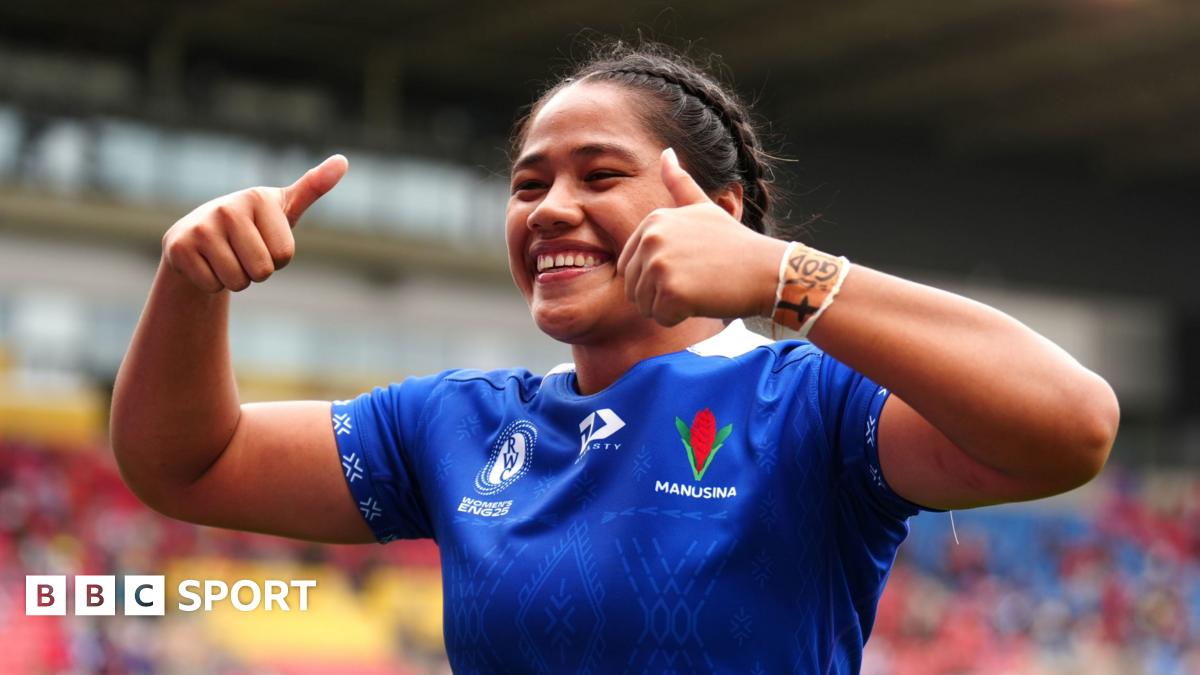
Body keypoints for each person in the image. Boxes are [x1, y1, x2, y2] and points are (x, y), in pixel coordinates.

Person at [110, 42, 1120, 673]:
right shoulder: (452, 425)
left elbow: (1072, 427)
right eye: (527, 184)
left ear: (714, 211)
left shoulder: (811, 407)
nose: (551, 208)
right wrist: (190, 286)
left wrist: (785, 277)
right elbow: (187, 464)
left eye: (599, 174)